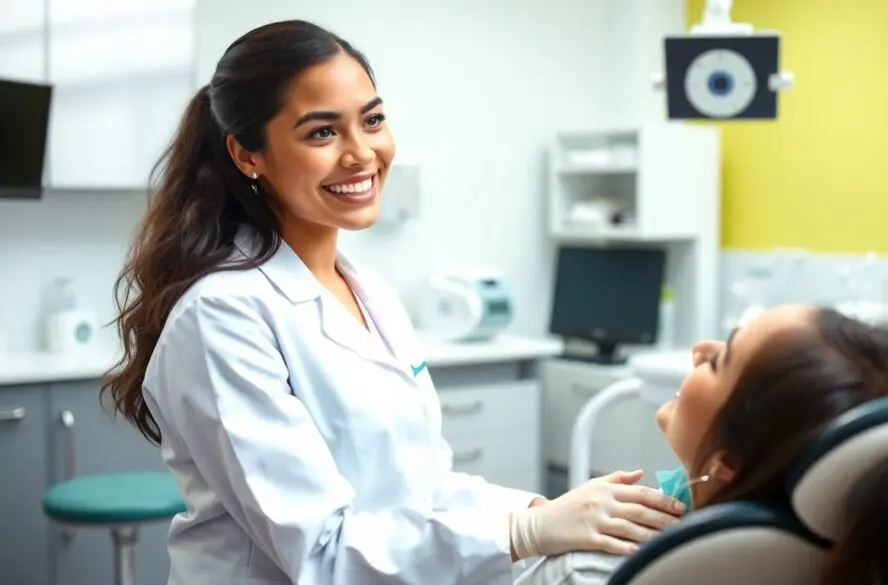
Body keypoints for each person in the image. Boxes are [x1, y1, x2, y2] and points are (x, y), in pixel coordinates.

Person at [100, 19, 684, 585]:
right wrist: (525, 531)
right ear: (248, 155)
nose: (361, 153)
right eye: (321, 132)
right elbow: (322, 555)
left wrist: (550, 509)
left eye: (372, 120)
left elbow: (425, 487)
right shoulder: (222, 317)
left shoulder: (368, 292)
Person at [515, 304, 888, 585]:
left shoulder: (593, 572)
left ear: (727, 467)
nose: (700, 350)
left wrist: (529, 536)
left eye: (721, 361)